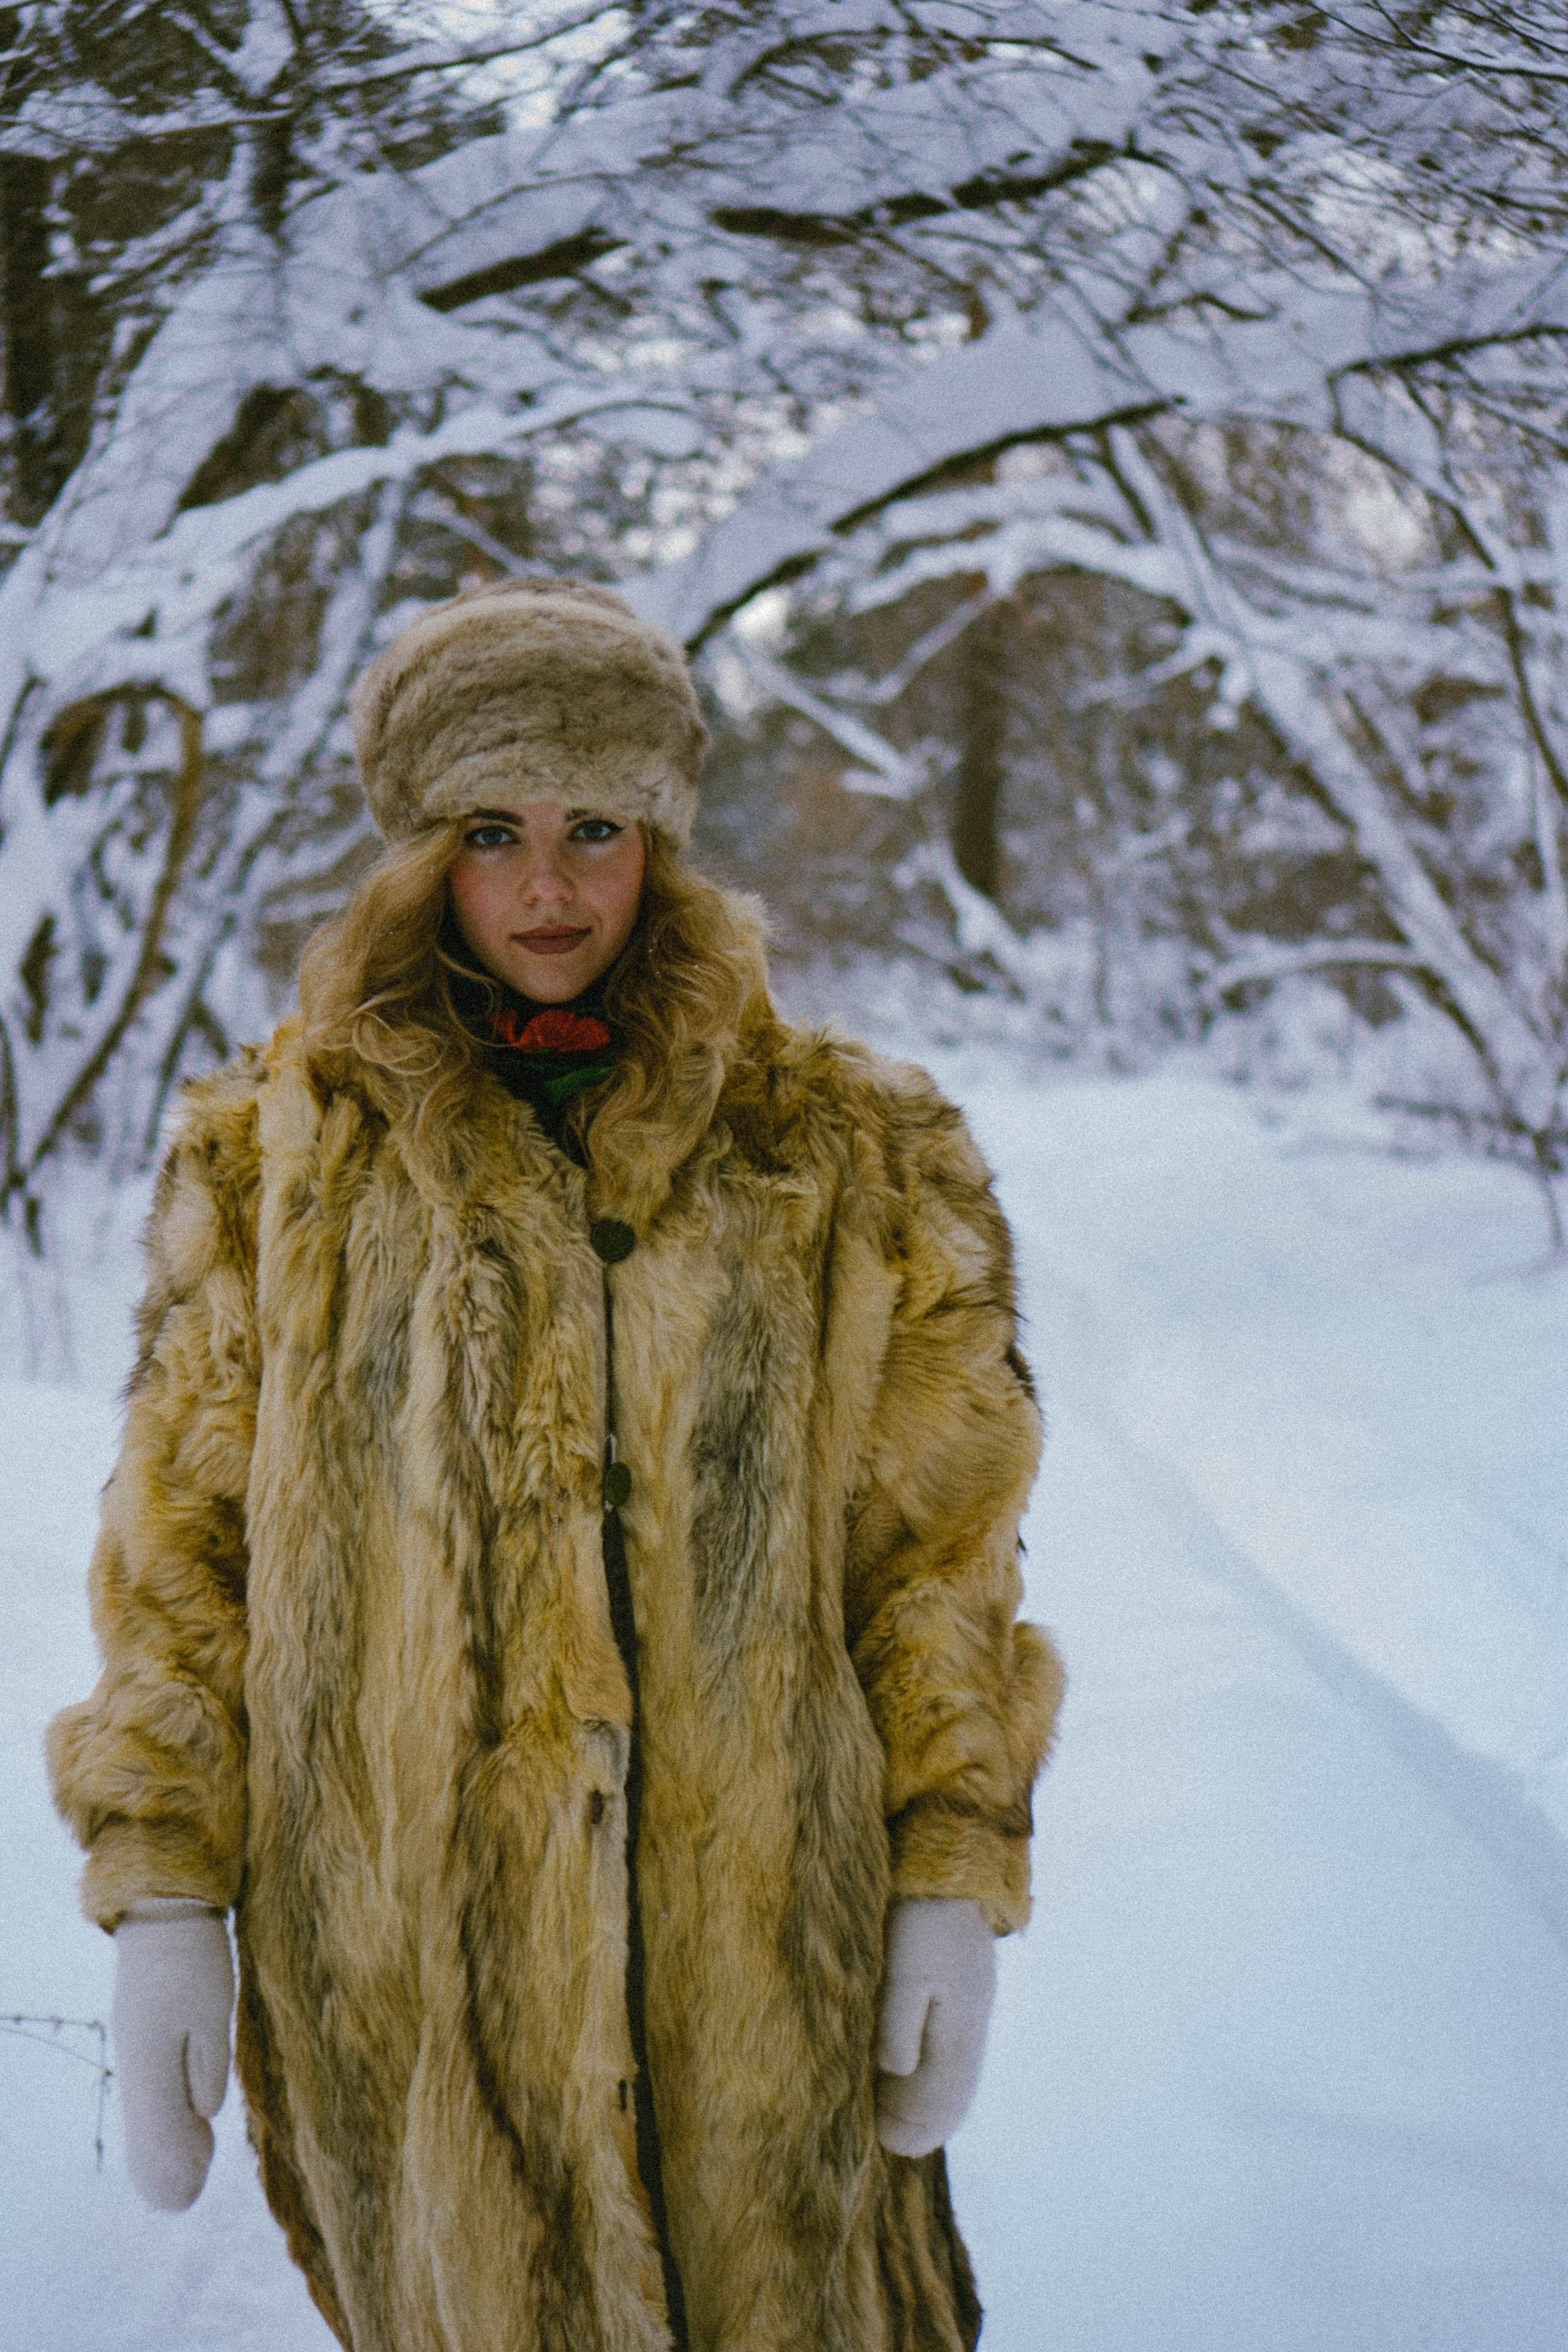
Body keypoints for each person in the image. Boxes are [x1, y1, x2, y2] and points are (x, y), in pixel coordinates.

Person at [47, 578, 1063, 2352]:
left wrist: (951, 1869)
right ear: (420, 850)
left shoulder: (854, 1151)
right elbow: (182, 1556)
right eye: (493, 832)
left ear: (660, 837)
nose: (548, 888)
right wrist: (161, 1889)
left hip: (766, 1992)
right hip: (409, 2007)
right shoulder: (266, 1163)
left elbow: (942, 1558)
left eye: (597, 829)